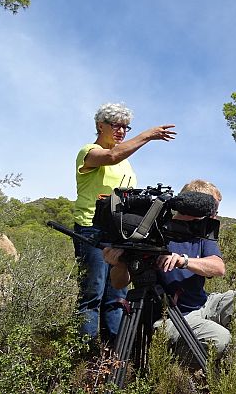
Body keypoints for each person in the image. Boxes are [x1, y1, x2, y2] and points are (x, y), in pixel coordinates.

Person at [103, 179, 236, 367]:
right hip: (169, 316)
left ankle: (231, 361)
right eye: (212, 209)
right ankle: (174, 368)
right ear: (196, 205)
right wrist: (119, 263)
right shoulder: (150, 231)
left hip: (203, 304)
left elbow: (218, 267)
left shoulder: (201, 232)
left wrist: (184, 261)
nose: (215, 215)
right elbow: (118, 284)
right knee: (219, 338)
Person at [72, 102, 176, 345]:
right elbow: (111, 155)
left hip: (120, 234)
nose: (121, 131)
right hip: (92, 230)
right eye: (116, 125)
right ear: (100, 125)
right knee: (92, 293)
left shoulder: (126, 162)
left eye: (126, 127)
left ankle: (114, 354)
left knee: (117, 294)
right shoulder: (89, 151)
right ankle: (85, 355)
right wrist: (147, 135)